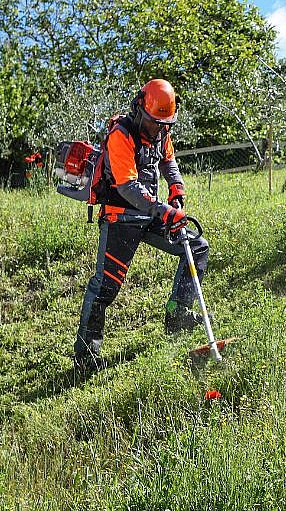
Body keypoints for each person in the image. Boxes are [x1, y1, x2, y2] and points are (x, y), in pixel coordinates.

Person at [74, 78, 209, 373]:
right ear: (140, 110)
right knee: (105, 287)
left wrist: (176, 187)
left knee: (196, 248)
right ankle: (86, 357)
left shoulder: (162, 130)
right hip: (120, 217)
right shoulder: (121, 134)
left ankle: (178, 314)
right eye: (154, 123)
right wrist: (164, 211)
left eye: (165, 124)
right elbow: (127, 187)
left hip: (151, 215)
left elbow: (168, 161)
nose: (159, 129)